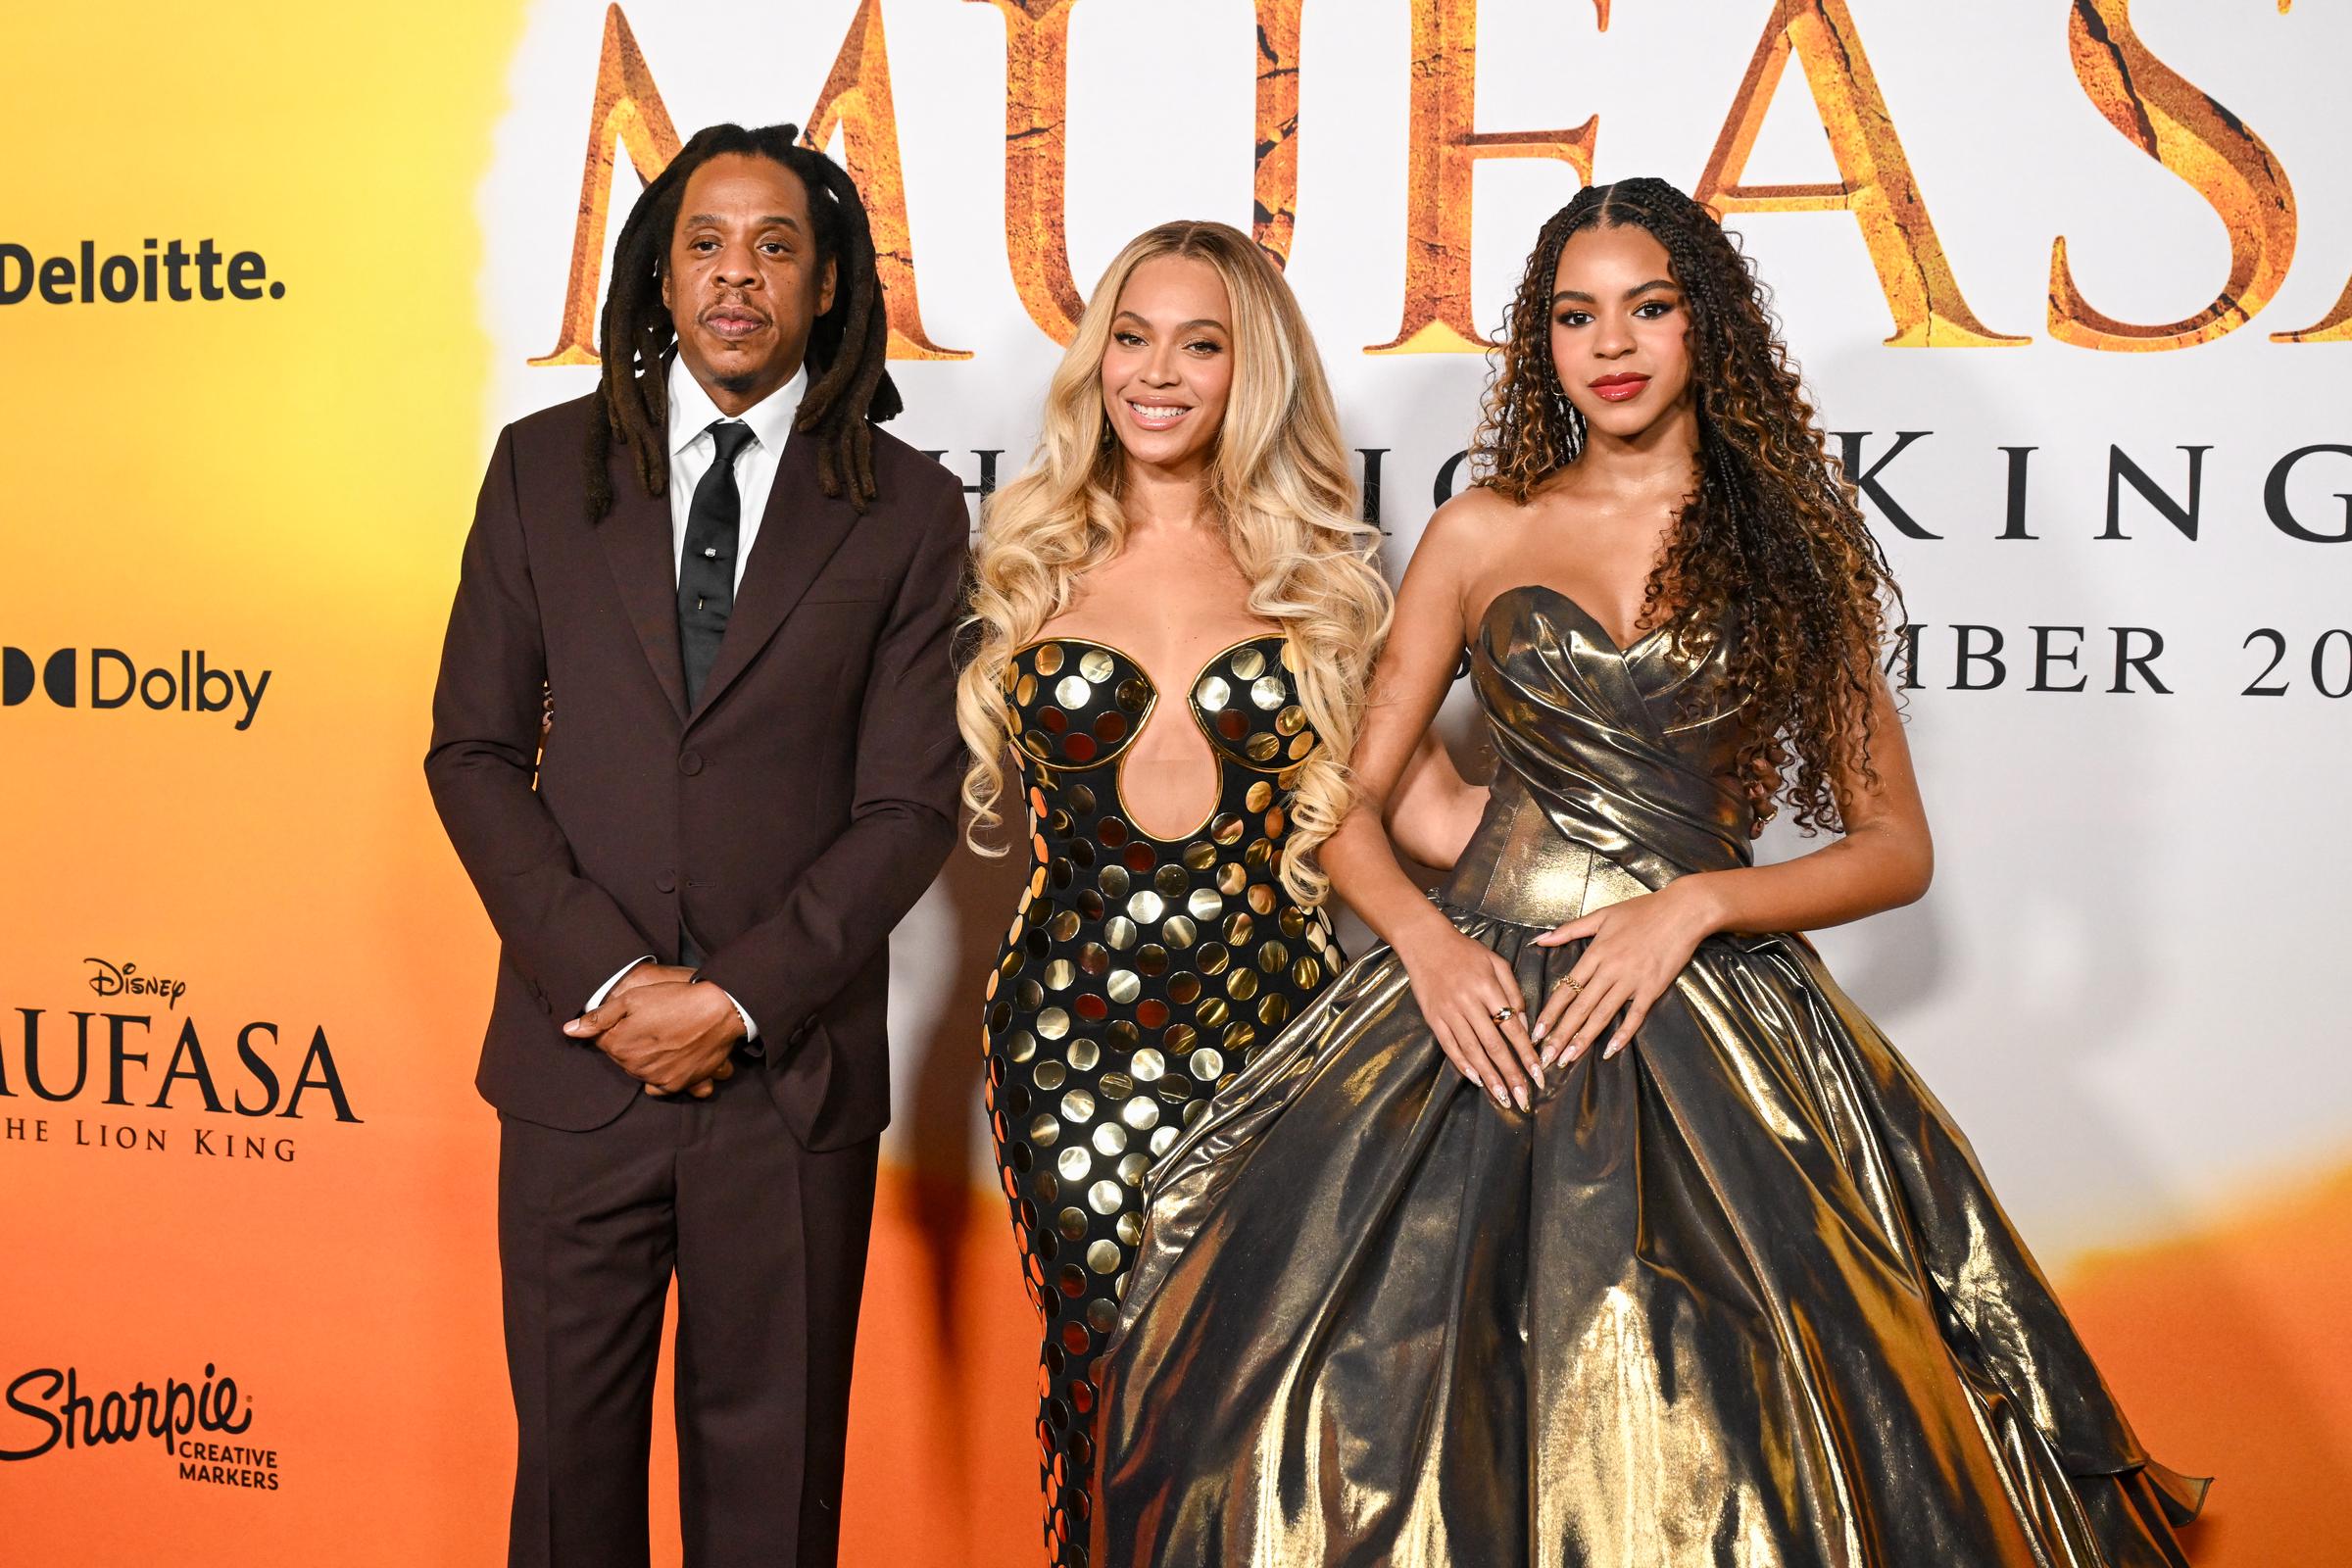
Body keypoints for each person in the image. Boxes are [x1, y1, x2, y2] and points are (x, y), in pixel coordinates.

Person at [1092, 179, 2206, 1567]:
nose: (1610, 343)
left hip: (1708, 1016)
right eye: (1574, 315)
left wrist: (1698, 902)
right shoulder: (1479, 533)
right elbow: (1341, 812)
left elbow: (1893, 849)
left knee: (1728, 1437)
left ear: (1706, 328)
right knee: (1346, 1417)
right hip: (1478, 1009)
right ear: (1541, 343)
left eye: (1648, 307)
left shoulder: (1793, 547)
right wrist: (1431, 952)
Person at [424, 122, 967, 1568]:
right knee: (566, 1500)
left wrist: (732, 999)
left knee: (772, 1511)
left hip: (785, 1085)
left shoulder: (908, 507)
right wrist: (610, 985)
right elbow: (472, 752)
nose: (740, 277)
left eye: (777, 246)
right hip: (572, 1066)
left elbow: (908, 804)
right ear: (659, 278)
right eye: (707, 245)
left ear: (830, 286)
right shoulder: (540, 471)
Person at [956, 219, 1484, 1568]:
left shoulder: (1324, 587)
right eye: (1131, 338)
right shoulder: (1027, 562)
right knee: (1102, 1382)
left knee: (1259, 1413)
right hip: (1067, 1053)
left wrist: (1635, 823)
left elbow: (1434, 814)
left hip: (1283, 1050)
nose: (1157, 373)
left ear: (1252, 373)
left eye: (1201, 344)